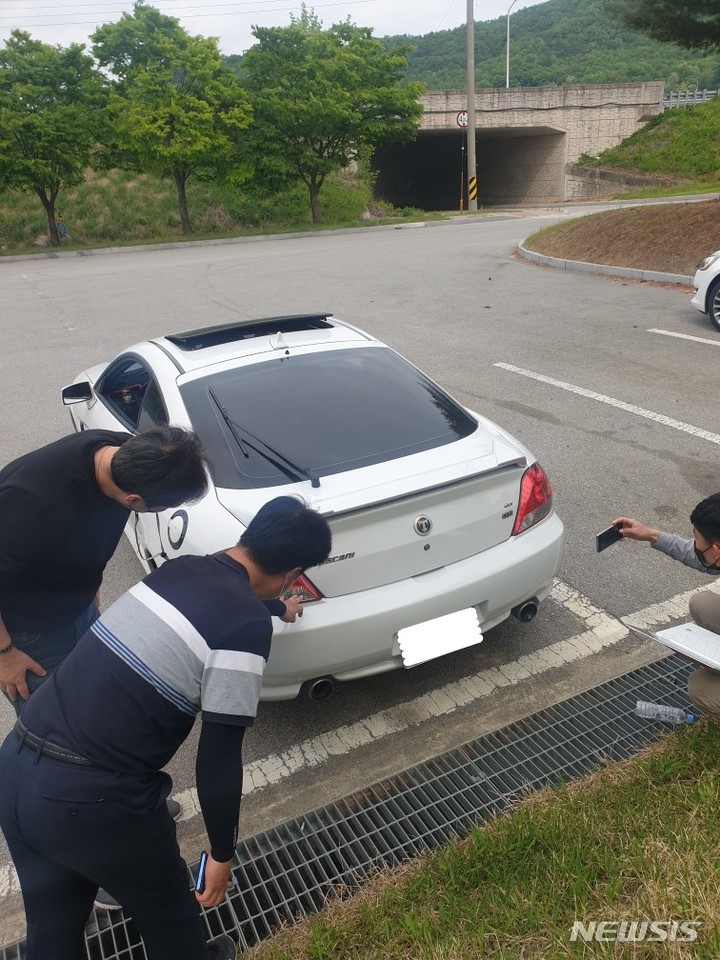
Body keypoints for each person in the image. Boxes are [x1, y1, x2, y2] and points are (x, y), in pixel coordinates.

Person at [0, 496, 332, 960]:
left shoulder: (179, 571)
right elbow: (218, 755)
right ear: (294, 573)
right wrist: (221, 854)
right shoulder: (243, 630)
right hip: (93, 800)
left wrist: (279, 610)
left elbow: (213, 608)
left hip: (16, 769)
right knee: (172, 919)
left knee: (53, 926)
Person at [0, 426, 209, 712]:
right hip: (29, 634)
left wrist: (91, 583)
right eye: (162, 507)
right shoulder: (33, 503)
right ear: (133, 501)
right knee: (51, 719)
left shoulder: (125, 454)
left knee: (91, 692)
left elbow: (90, 529)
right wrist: (4, 654)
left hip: (77, 604)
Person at [614, 492, 720, 721]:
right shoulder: (715, 553)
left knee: (700, 687)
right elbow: (697, 557)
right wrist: (651, 535)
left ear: (718, 549)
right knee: (702, 603)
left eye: (700, 548)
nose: (695, 551)